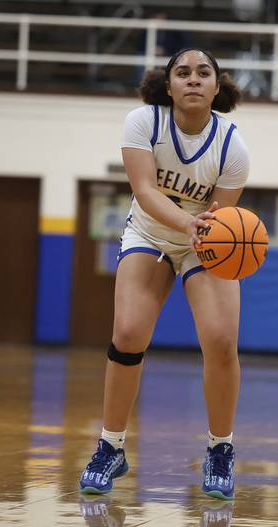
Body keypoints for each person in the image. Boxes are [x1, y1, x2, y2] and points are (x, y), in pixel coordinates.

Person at [78, 48, 249, 501]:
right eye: (183, 72)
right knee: (129, 333)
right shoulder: (143, 122)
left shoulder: (233, 145)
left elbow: (222, 219)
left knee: (221, 340)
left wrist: (201, 231)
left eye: (203, 73)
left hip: (205, 243)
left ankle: (220, 449)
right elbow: (145, 190)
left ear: (217, 86)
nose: (193, 79)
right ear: (168, 85)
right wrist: (185, 223)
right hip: (151, 232)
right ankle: (110, 445)